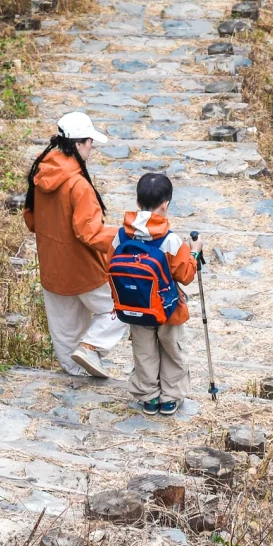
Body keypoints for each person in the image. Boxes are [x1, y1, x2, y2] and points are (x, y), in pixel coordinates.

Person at [24, 111, 126, 379]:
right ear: (79, 144)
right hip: (83, 269)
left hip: (51, 267)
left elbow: (30, 219)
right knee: (121, 307)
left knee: (66, 326)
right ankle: (90, 347)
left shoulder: (39, 171)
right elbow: (90, 233)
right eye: (90, 142)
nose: (92, 147)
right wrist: (126, 235)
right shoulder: (78, 185)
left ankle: (75, 372)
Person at [108, 171, 199, 417]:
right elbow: (186, 276)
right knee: (172, 349)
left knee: (144, 351)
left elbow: (110, 262)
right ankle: (169, 399)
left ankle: (148, 397)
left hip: (136, 306)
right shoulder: (170, 241)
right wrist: (195, 253)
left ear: (137, 203)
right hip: (169, 308)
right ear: (165, 205)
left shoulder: (121, 234)